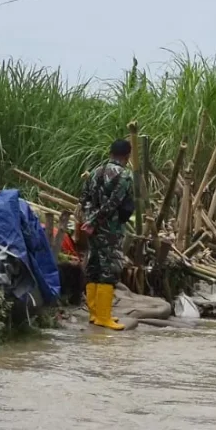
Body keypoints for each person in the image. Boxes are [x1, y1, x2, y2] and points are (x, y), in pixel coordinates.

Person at [79, 139, 136, 330]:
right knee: (109, 269)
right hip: (110, 230)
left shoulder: (95, 172)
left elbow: (84, 198)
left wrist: (89, 221)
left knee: (94, 265)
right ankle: (103, 316)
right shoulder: (125, 176)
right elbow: (113, 204)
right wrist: (95, 222)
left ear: (110, 153)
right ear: (127, 156)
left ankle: (94, 314)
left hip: (92, 228)